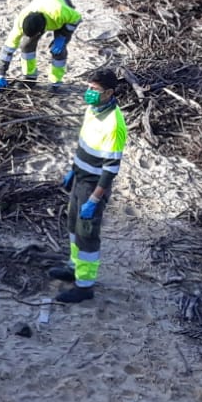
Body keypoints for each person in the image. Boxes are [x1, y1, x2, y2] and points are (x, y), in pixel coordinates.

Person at [50, 69, 129, 305]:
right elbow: (85, 144)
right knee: (73, 225)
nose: (89, 93)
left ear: (109, 93)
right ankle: (74, 267)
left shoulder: (114, 125)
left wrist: (94, 200)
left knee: (87, 234)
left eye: (94, 90)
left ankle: (84, 285)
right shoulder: (92, 110)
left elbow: (110, 170)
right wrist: (72, 170)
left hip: (93, 186)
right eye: (88, 88)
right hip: (79, 178)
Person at [0, 0, 84, 88]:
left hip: (60, 4)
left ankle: (55, 82)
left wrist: (63, 36)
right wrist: (1, 74)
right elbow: (8, 49)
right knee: (26, 45)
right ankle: (29, 77)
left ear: (41, 31)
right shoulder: (20, 22)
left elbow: (76, 18)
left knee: (58, 50)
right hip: (41, 2)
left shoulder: (59, 12)